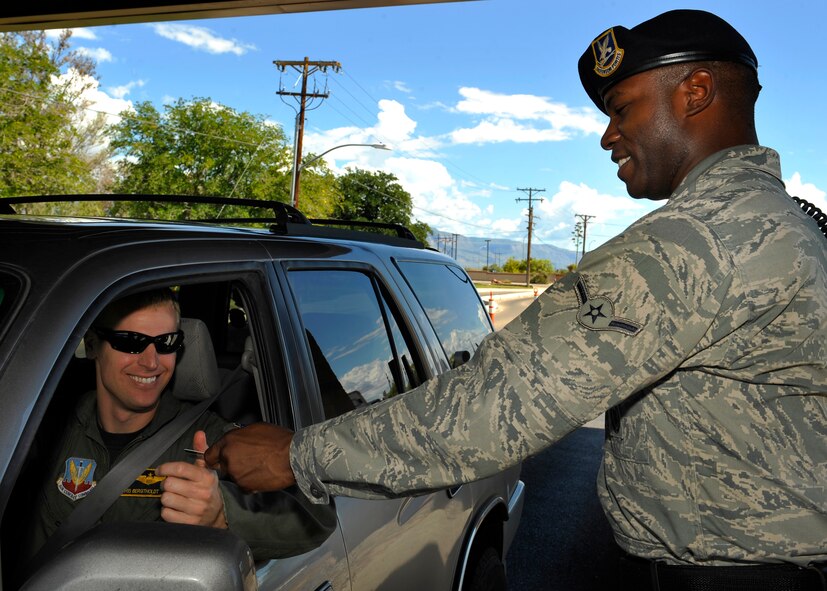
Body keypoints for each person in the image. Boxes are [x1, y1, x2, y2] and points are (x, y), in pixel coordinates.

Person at [206, 9, 827, 589]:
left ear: (695, 92)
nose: (609, 135)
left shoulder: (695, 243)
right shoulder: (775, 222)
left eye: (622, 108)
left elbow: (501, 402)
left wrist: (297, 455)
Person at [23, 288, 335, 569]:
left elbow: (318, 516)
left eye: (166, 343)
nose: (151, 363)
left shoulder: (210, 440)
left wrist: (224, 513)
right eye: (131, 342)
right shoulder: (41, 429)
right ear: (92, 345)